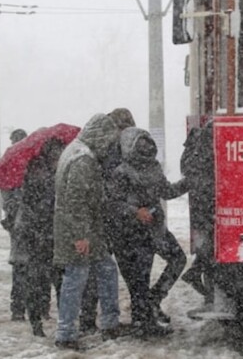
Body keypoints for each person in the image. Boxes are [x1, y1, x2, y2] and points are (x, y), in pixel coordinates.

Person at [53, 113, 130, 350]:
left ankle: (109, 322)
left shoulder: (75, 150)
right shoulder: (83, 159)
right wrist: (80, 236)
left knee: (105, 271)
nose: (109, 145)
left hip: (87, 231)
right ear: (100, 135)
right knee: (75, 280)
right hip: (81, 232)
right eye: (108, 139)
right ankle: (66, 334)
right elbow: (76, 200)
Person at [105, 127, 189, 336]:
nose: (146, 150)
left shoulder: (154, 167)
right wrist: (135, 212)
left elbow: (166, 191)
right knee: (138, 281)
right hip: (130, 234)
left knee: (178, 258)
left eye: (148, 145)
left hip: (155, 230)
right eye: (141, 146)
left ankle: (154, 300)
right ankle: (143, 324)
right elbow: (112, 204)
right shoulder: (121, 172)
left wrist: (188, 183)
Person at [80, 107, 136, 334]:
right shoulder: (113, 151)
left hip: (105, 218)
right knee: (103, 272)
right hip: (108, 220)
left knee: (98, 272)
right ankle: (106, 323)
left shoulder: (102, 149)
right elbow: (112, 188)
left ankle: (90, 319)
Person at [20, 137, 66, 337]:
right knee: (42, 281)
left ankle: (50, 321)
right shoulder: (41, 174)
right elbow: (33, 205)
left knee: (54, 281)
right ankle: (38, 321)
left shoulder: (50, 173)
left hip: (47, 235)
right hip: (41, 235)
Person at [179, 122, 216, 306]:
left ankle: (197, 272)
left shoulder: (194, 145)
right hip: (207, 200)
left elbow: (187, 171)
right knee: (213, 243)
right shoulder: (208, 142)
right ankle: (198, 274)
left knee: (208, 242)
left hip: (200, 201)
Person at [0, 128, 29, 322]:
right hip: (21, 223)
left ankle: (21, 307)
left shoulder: (26, 165)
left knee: (23, 265)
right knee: (23, 265)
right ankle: (21, 307)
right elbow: (8, 200)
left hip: (25, 223)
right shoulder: (9, 167)